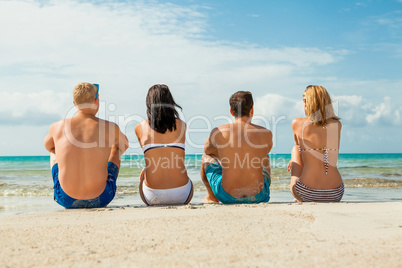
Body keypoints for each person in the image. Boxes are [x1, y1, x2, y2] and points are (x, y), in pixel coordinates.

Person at [44, 82, 128, 208]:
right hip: (101, 197)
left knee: (53, 149)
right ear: (96, 101)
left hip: (66, 198)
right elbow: (124, 144)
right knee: (117, 148)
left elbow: (48, 146)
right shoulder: (110, 127)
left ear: (74, 103)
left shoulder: (57, 126)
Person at [200, 91, 272, 204]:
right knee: (265, 158)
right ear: (252, 110)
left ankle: (211, 197)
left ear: (231, 111)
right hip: (259, 196)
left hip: (227, 196)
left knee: (205, 157)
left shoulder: (219, 132)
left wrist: (226, 153)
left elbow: (207, 151)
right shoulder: (266, 133)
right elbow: (264, 152)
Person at [135, 84, 193, 206]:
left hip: (152, 196)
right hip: (182, 194)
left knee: (145, 170)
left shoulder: (140, 128)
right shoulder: (182, 125)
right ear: (170, 102)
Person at [289, 85, 344, 202]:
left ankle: (299, 191)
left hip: (306, 191)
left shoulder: (297, 123)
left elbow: (299, 147)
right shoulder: (337, 124)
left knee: (296, 149)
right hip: (336, 192)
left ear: (305, 102)